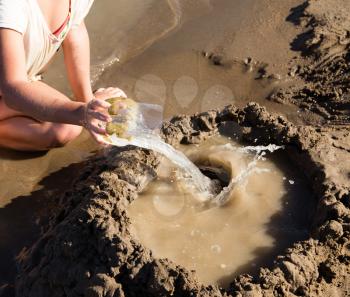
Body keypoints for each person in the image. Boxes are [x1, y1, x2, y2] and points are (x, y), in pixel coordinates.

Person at [0, 0, 126, 151]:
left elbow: (75, 28)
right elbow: (13, 87)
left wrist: (88, 103)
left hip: (19, 80)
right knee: (70, 120)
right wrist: (81, 113)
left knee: (66, 128)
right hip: (10, 86)